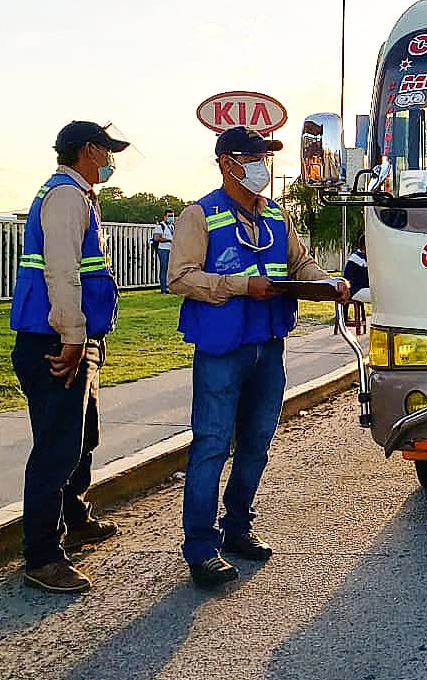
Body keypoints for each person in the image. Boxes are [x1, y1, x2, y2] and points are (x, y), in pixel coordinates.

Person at [169, 126, 349, 589]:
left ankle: (237, 527)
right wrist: (237, 286)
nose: (262, 167)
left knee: (256, 443)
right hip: (222, 350)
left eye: (265, 158)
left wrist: (327, 283)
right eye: (254, 158)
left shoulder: (276, 218)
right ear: (229, 162)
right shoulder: (199, 216)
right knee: (211, 445)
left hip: (268, 346)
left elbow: (299, 264)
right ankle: (201, 548)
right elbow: (181, 278)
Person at [9, 120, 129, 594]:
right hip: (55, 342)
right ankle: (42, 556)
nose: (110, 160)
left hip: (73, 340)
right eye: (105, 151)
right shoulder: (64, 197)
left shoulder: (79, 196)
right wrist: (74, 338)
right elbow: (62, 275)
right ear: (86, 151)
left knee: (83, 436)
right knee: (56, 448)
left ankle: (75, 517)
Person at [153, 208, 176, 293]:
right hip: (163, 250)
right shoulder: (160, 226)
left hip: (171, 250)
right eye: (169, 216)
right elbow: (157, 238)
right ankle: (163, 288)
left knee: (170, 269)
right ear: (165, 216)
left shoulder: (172, 226)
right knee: (164, 268)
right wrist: (169, 240)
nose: (171, 218)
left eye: (172, 216)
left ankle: (169, 287)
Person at [344, 236, 369, 303]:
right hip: (355, 291)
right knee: (381, 295)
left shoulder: (357, 256)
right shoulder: (360, 259)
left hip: (357, 289)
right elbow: (367, 280)